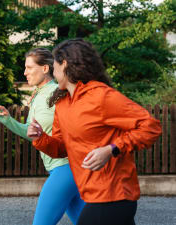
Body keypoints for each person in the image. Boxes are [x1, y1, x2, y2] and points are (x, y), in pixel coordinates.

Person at [27, 39, 162, 225]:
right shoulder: (63, 103)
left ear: (64, 64)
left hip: (114, 195)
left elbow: (150, 126)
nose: (53, 69)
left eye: (54, 64)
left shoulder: (101, 96)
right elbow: (61, 149)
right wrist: (40, 138)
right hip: (91, 194)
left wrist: (112, 149)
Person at [0, 48, 85, 225]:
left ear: (45, 69)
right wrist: (8, 120)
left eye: (29, 67)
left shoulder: (55, 93)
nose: (25, 72)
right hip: (64, 169)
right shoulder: (38, 95)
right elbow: (32, 133)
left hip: (65, 168)